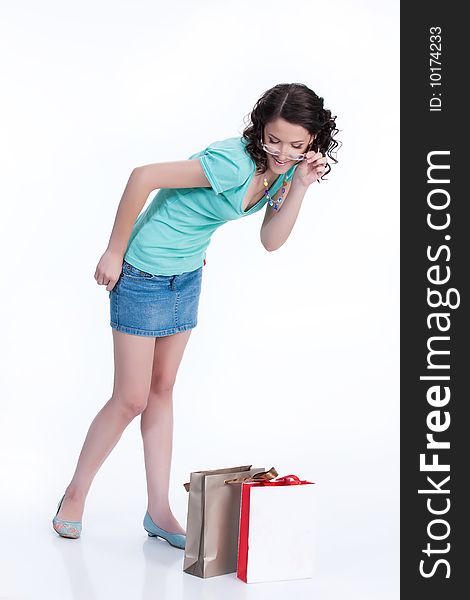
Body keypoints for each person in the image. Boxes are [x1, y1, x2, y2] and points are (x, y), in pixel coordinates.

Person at [51, 82, 340, 548]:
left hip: (186, 276)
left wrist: (301, 186)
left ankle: (158, 511)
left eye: (296, 144)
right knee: (131, 398)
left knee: (162, 390)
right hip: (142, 271)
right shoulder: (232, 160)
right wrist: (114, 250)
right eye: (273, 139)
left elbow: (270, 240)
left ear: (313, 141)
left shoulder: (287, 171)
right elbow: (143, 176)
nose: (283, 152)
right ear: (259, 130)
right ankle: (75, 495)